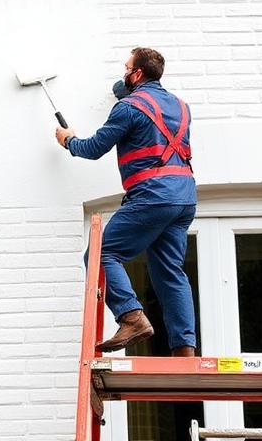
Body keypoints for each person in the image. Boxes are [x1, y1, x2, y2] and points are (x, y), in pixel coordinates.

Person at [55, 47, 198, 357]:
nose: (123, 72)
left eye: (126, 68)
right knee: (170, 272)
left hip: (152, 196)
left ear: (136, 74)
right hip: (184, 197)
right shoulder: (181, 107)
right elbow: (146, 114)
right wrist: (123, 92)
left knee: (101, 252)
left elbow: (93, 148)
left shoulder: (129, 108)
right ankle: (184, 349)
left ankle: (131, 317)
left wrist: (68, 139)